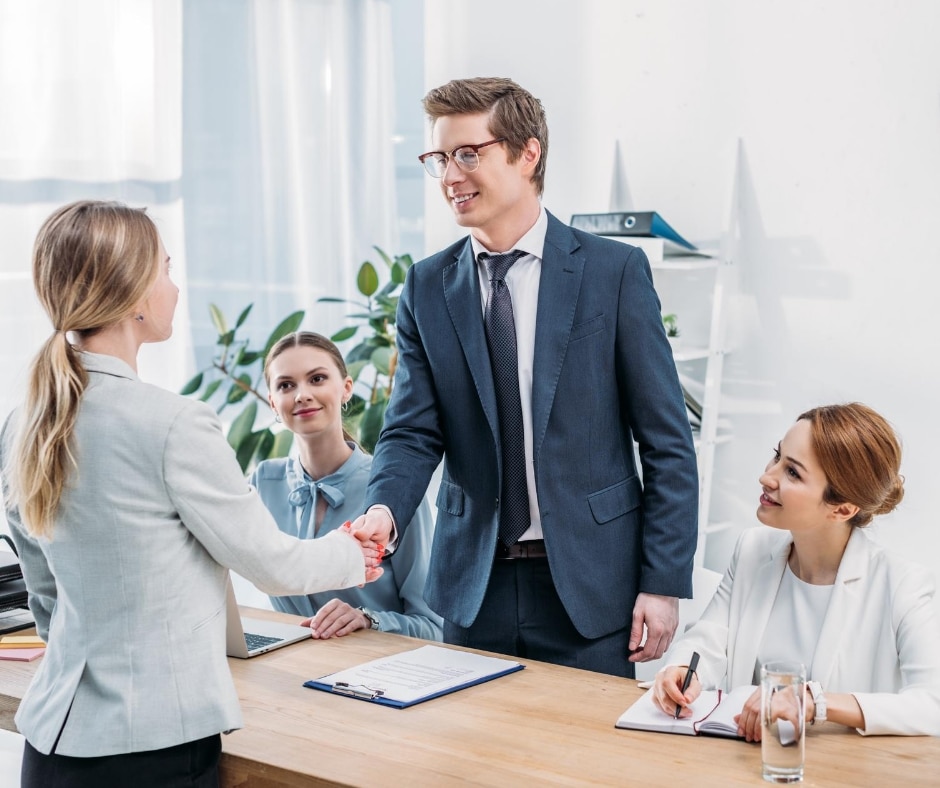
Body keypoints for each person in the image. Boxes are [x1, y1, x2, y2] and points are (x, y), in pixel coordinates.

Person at [0, 200, 382, 787]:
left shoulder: (23, 420)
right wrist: (359, 551)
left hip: (53, 747)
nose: (175, 288)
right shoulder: (171, 423)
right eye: (166, 269)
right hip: (153, 753)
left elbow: (44, 589)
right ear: (133, 299)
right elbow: (272, 564)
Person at [350, 77, 699, 677]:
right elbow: (411, 432)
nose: (450, 177)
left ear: (527, 152)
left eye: (468, 154)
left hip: (590, 588)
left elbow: (666, 442)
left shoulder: (613, 272)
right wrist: (384, 509)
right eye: (438, 159)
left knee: (582, 769)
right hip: (471, 587)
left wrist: (662, 583)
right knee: (471, 768)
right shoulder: (427, 287)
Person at [652, 403, 940, 738]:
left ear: (842, 509)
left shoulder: (901, 584)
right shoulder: (752, 550)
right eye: (777, 456)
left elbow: (932, 704)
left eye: (793, 473)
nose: (766, 476)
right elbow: (710, 640)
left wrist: (814, 702)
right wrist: (682, 669)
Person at [248, 331, 443, 640]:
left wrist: (368, 619)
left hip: (381, 673)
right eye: (286, 385)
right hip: (291, 672)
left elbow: (434, 627)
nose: (301, 395)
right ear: (273, 402)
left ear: (346, 388)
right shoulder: (263, 484)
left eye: (317, 379)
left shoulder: (393, 490)